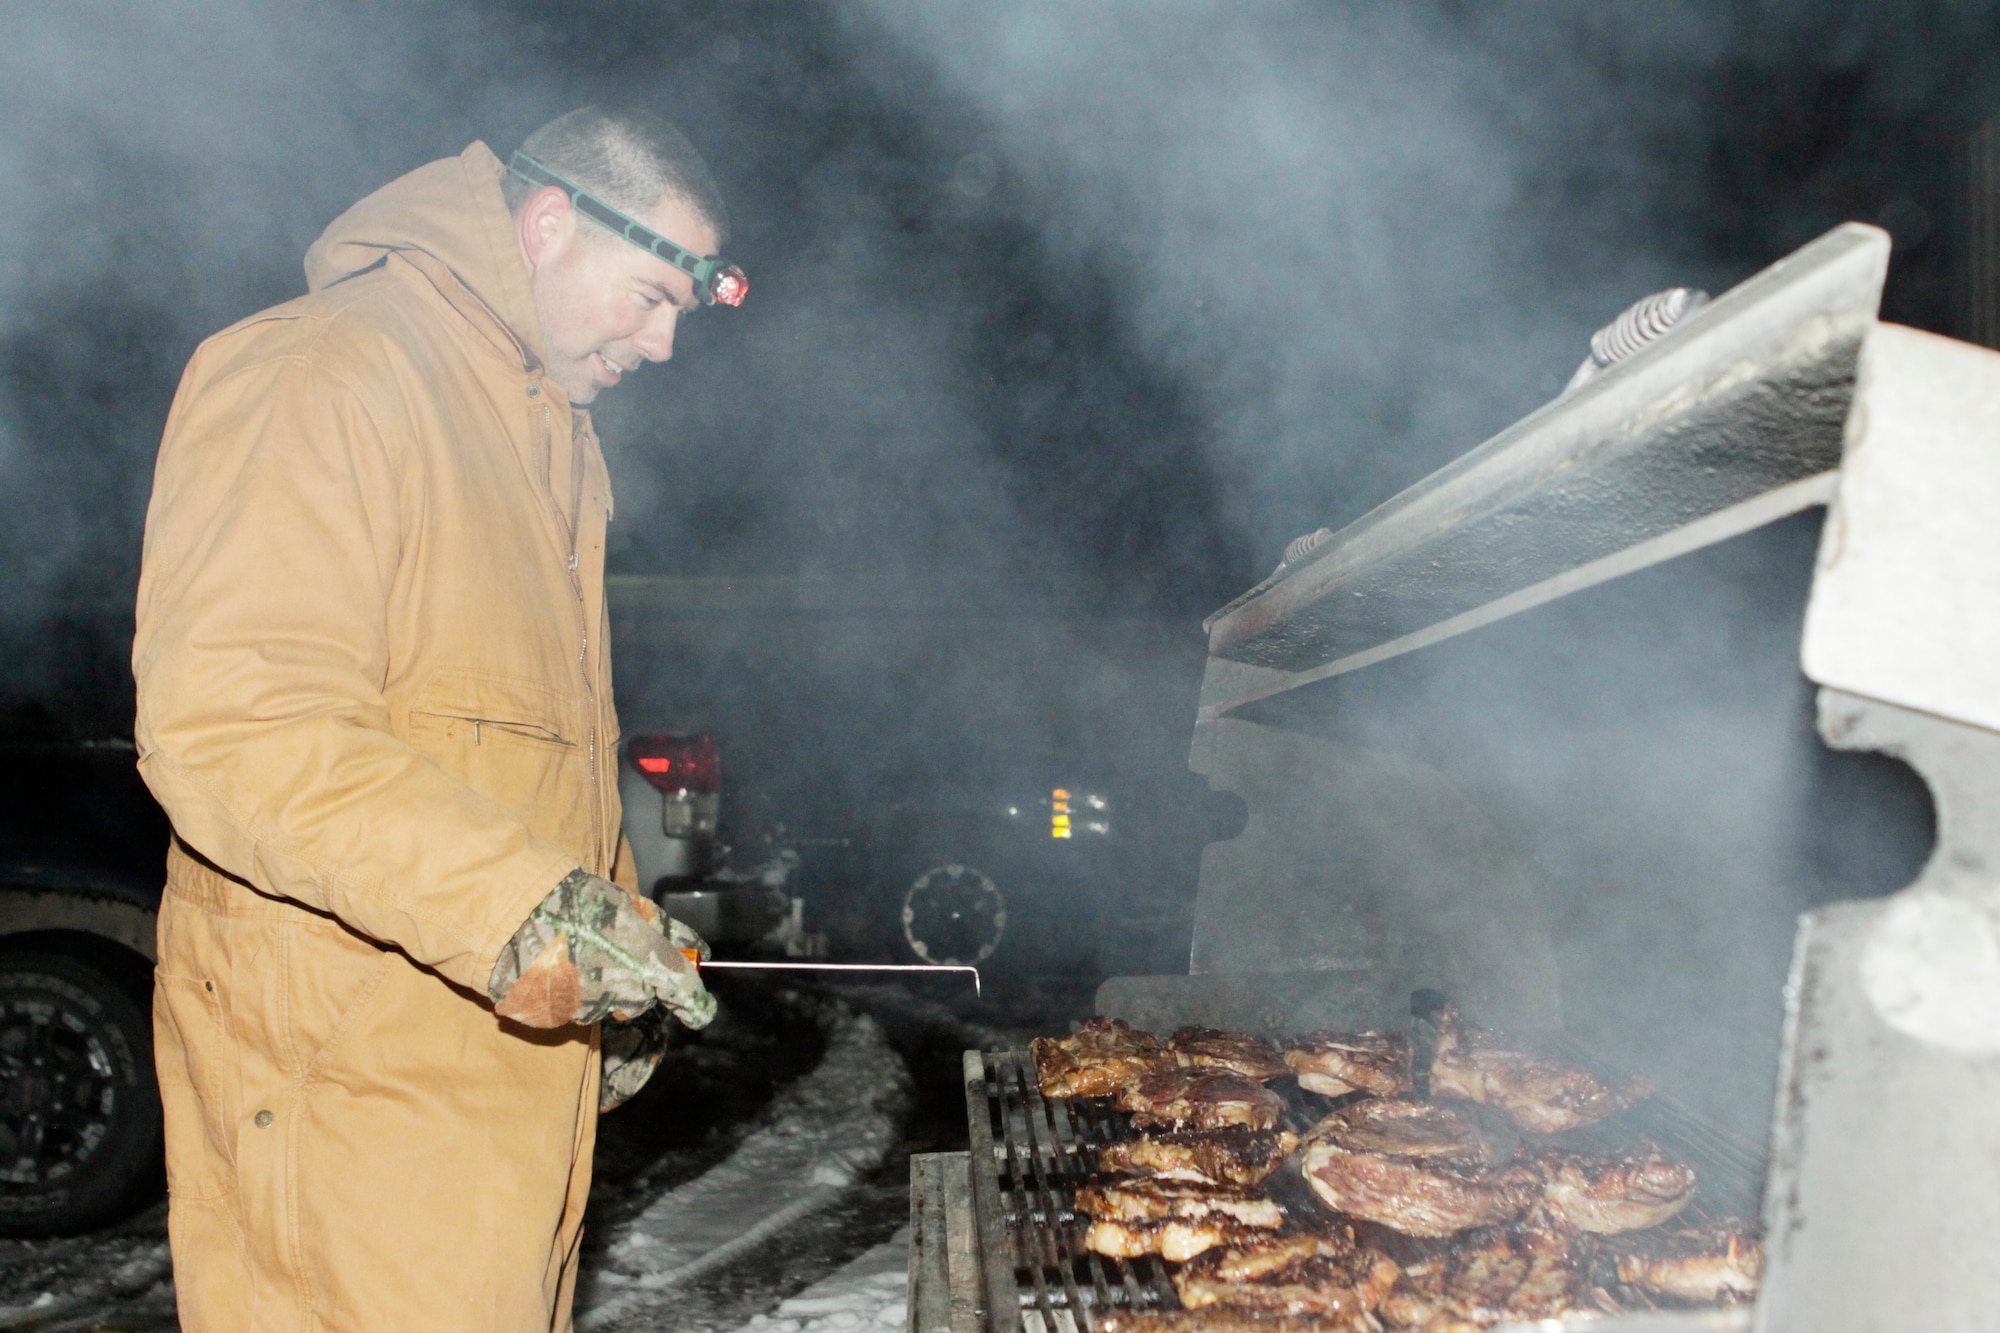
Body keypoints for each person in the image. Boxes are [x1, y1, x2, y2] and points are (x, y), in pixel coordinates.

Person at [132, 106, 744, 1331]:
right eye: (648, 295)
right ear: (549, 225)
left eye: (682, 308)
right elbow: (237, 728)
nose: (664, 343)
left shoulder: (546, 441)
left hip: (480, 1103)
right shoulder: (322, 371)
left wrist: (605, 950)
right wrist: (524, 914)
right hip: (350, 1099)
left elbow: (527, 754)